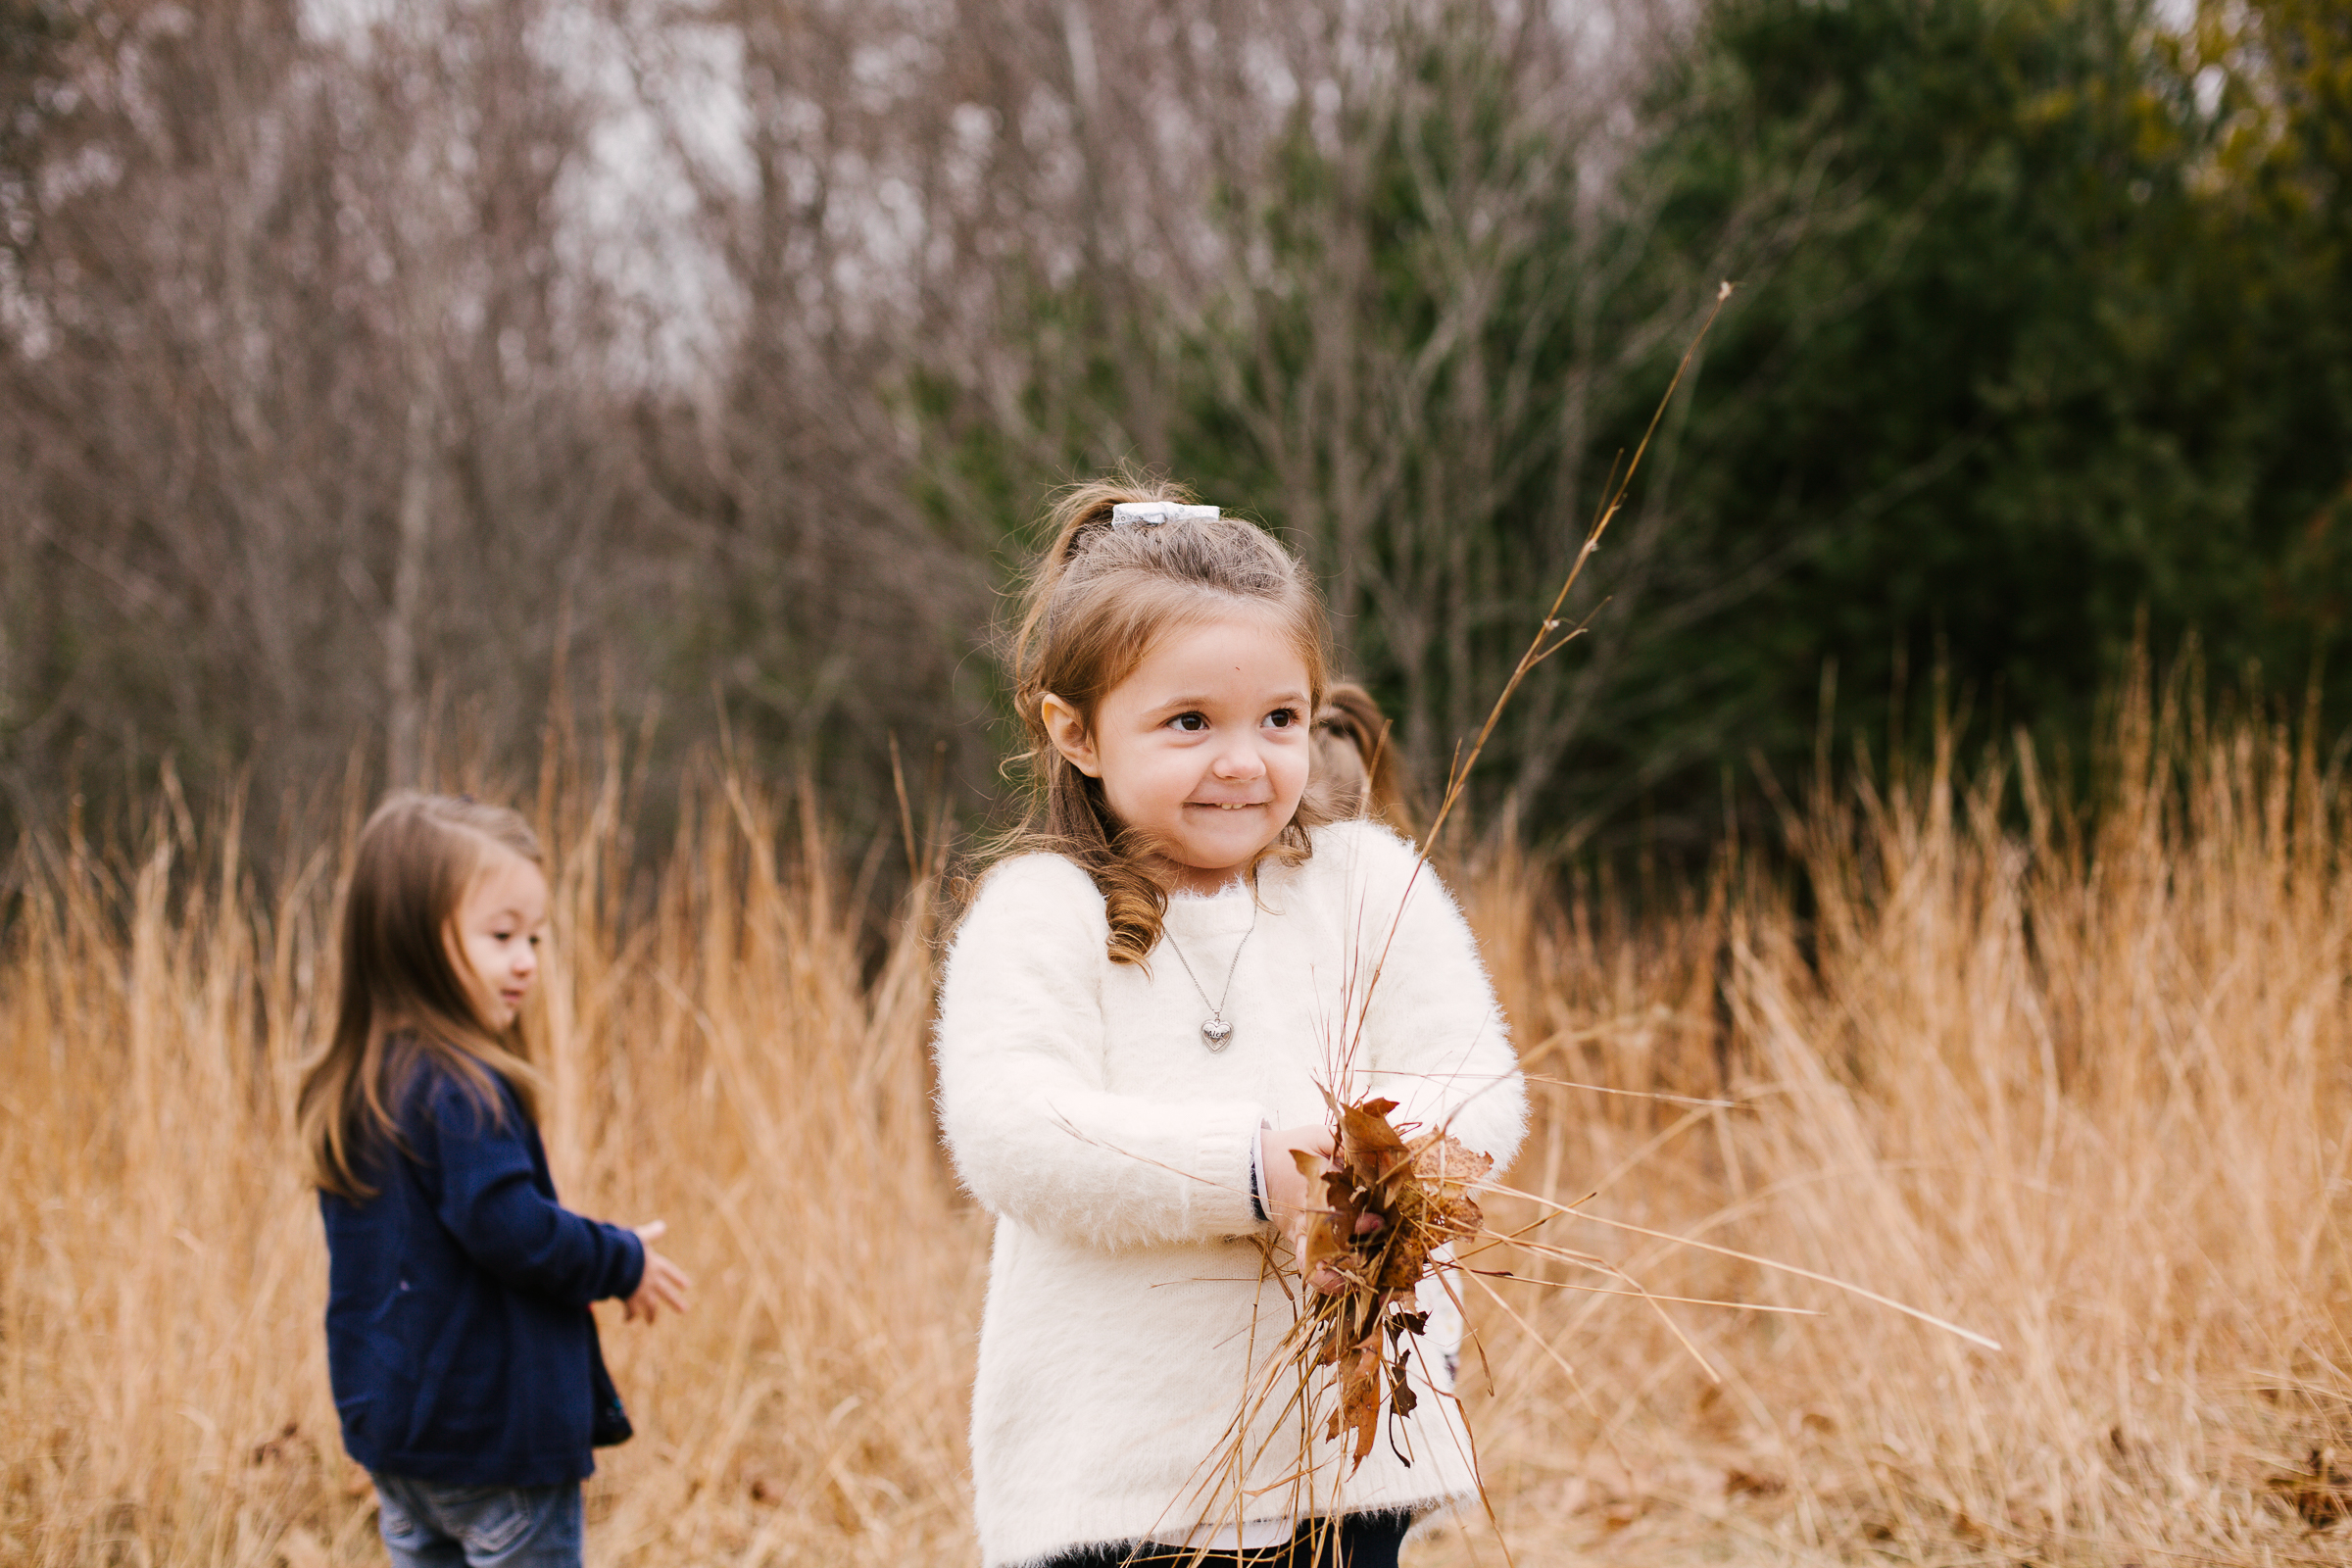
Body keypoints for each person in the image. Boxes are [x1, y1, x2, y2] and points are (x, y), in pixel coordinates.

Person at [935, 480, 1526, 1567]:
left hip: (1343, 1452)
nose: (1246, 761)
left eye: (1280, 720)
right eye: (1190, 722)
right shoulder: (1039, 909)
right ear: (1076, 732)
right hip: (1129, 1476)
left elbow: (1478, 1078)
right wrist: (1258, 1169)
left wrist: (1371, 1163)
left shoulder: (1365, 879)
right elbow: (1014, 1133)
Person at [297, 792, 692, 1568]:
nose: (527, 961)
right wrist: (623, 1259)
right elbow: (513, 1229)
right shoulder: (458, 1090)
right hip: (497, 1446)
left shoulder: (362, 1083)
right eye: (502, 935)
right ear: (410, 942)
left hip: (402, 1446)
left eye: (536, 937)